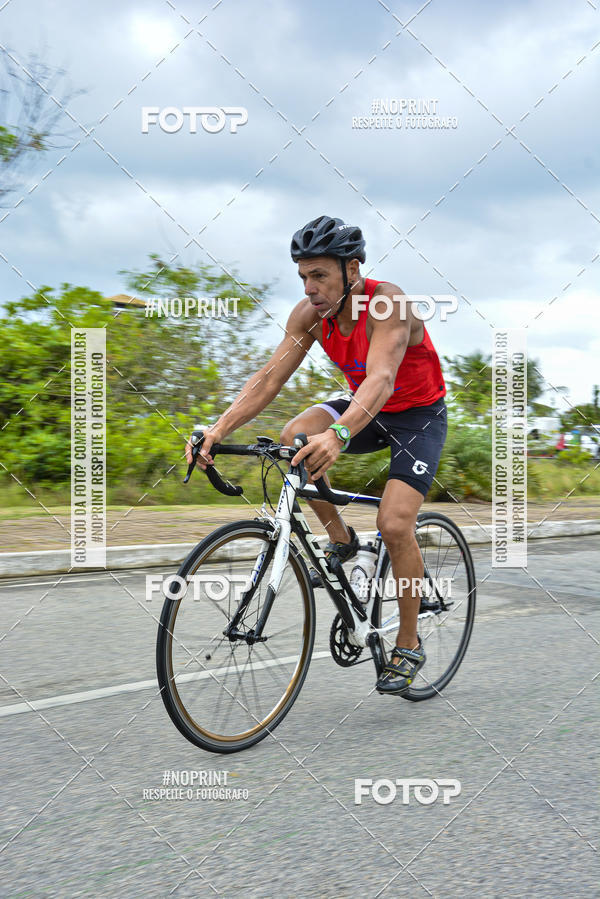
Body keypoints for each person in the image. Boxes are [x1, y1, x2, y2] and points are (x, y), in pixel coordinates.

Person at [186, 215, 448, 695]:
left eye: (320, 275)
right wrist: (218, 429)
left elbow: (382, 379)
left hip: (416, 416)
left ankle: (408, 643)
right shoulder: (310, 316)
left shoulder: (387, 304)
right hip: (365, 407)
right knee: (295, 436)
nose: (309, 288)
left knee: (394, 525)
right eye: (303, 276)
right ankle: (341, 539)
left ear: (353, 270)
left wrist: (339, 435)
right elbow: (270, 378)